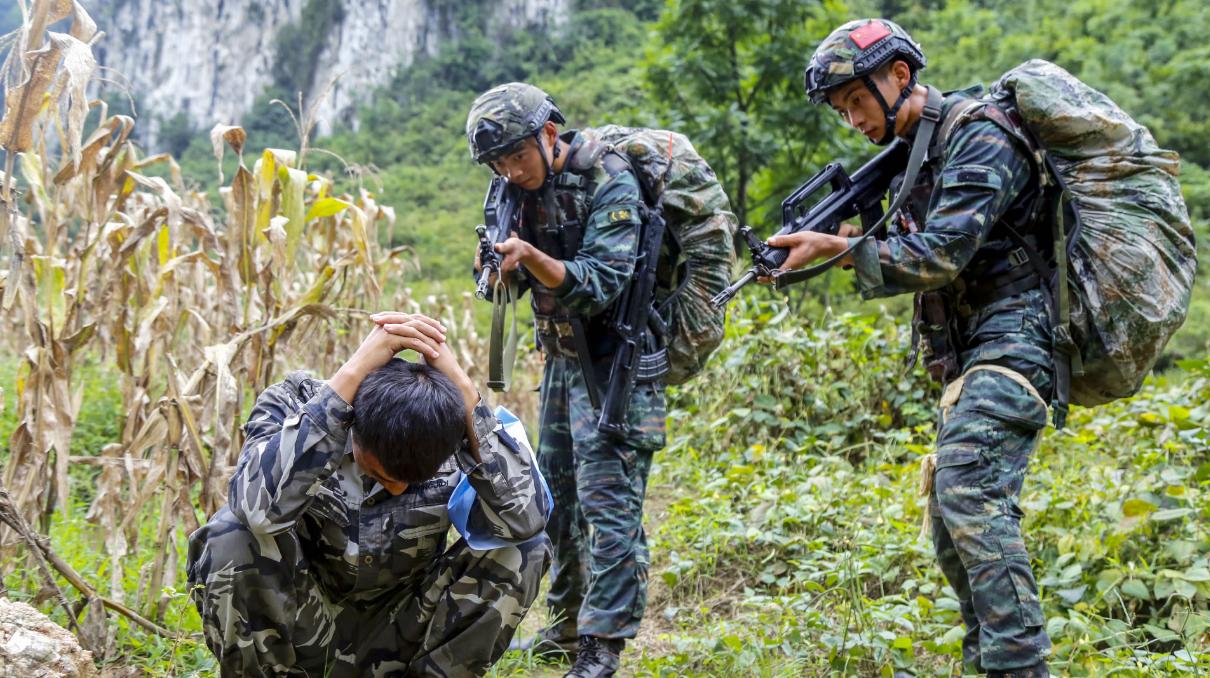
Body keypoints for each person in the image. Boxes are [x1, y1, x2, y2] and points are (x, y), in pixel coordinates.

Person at [772, 19, 1056, 678]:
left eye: (857, 101)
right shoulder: (911, 155)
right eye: (841, 111)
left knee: (968, 492)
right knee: (951, 528)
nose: (852, 119)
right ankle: (990, 662)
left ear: (900, 75)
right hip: (971, 349)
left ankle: (1022, 669)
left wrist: (842, 250)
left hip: (1019, 337)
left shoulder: (979, 135)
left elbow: (942, 256)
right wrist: (833, 239)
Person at [187, 312, 551, 677]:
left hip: (403, 630)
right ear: (354, 427)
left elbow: (527, 519)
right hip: (303, 626)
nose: (396, 488)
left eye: (411, 482)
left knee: (525, 549)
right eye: (379, 473)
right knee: (230, 536)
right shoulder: (294, 402)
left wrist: (463, 390)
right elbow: (255, 512)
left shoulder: (452, 424)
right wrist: (352, 372)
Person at [464, 82, 665, 678]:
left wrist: (527, 256)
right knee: (555, 500)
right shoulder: (507, 191)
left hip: (615, 361)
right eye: (498, 162)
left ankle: (603, 645)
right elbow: (504, 284)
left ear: (550, 134)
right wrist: (493, 268)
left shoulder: (609, 179)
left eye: (518, 156)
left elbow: (600, 283)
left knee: (609, 503)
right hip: (560, 361)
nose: (510, 170)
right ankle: (565, 623)